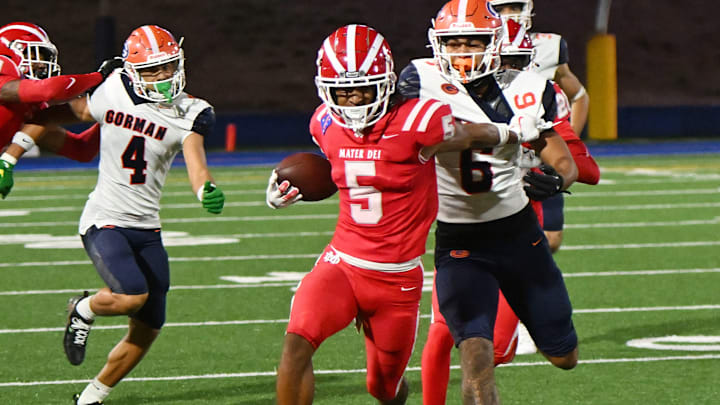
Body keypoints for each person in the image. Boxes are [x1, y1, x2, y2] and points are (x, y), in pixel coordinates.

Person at [266, 24, 540, 405]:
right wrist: (289, 186)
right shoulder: (324, 122)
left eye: (364, 87)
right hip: (342, 264)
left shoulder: (420, 120)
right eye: (342, 92)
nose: (354, 101)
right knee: (296, 344)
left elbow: (465, 136)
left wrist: (509, 135)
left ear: (388, 82)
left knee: (383, 387)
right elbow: (332, 167)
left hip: (396, 281)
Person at [397, 1, 579, 403]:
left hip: (519, 237)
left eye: (473, 41)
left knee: (564, 355)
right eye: (454, 42)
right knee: (475, 355)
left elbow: (559, 152)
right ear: (436, 43)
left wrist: (558, 177)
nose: (463, 51)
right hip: (460, 243)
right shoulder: (418, 81)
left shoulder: (528, 86)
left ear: (494, 42)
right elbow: (439, 135)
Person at [54, 25, 225, 405]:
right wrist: (14, 145)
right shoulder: (112, 89)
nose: (162, 77)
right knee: (131, 296)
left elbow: (197, 165)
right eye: (152, 70)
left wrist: (205, 190)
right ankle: (81, 308)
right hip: (104, 218)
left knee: (148, 327)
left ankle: (91, 398)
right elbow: (69, 111)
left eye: (167, 67)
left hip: (147, 228)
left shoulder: (191, 112)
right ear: (132, 71)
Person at [490, 0, 595, 253]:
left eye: (514, 6)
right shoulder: (480, 44)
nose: (508, 14)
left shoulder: (549, 46)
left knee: (551, 237)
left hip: (535, 151)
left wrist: (565, 144)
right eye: (501, 8)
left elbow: (579, 95)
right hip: (495, 152)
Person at [0, 21, 121, 199]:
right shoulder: (7, 83)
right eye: (36, 55)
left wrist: (115, 110)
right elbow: (49, 90)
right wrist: (98, 77)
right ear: (13, 50)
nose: (42, 65)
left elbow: (82, 149)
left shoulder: (27, 108)